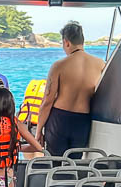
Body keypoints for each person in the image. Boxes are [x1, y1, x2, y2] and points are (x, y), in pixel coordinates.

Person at [37, 21, 104, 159]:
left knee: (55, 165)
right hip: (82, 121)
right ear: (82, 40)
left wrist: (38, 131)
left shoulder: (59, 65)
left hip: (59, 120)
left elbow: (47, 101)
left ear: (66, 42)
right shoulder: (100, 64)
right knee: (75, 166)